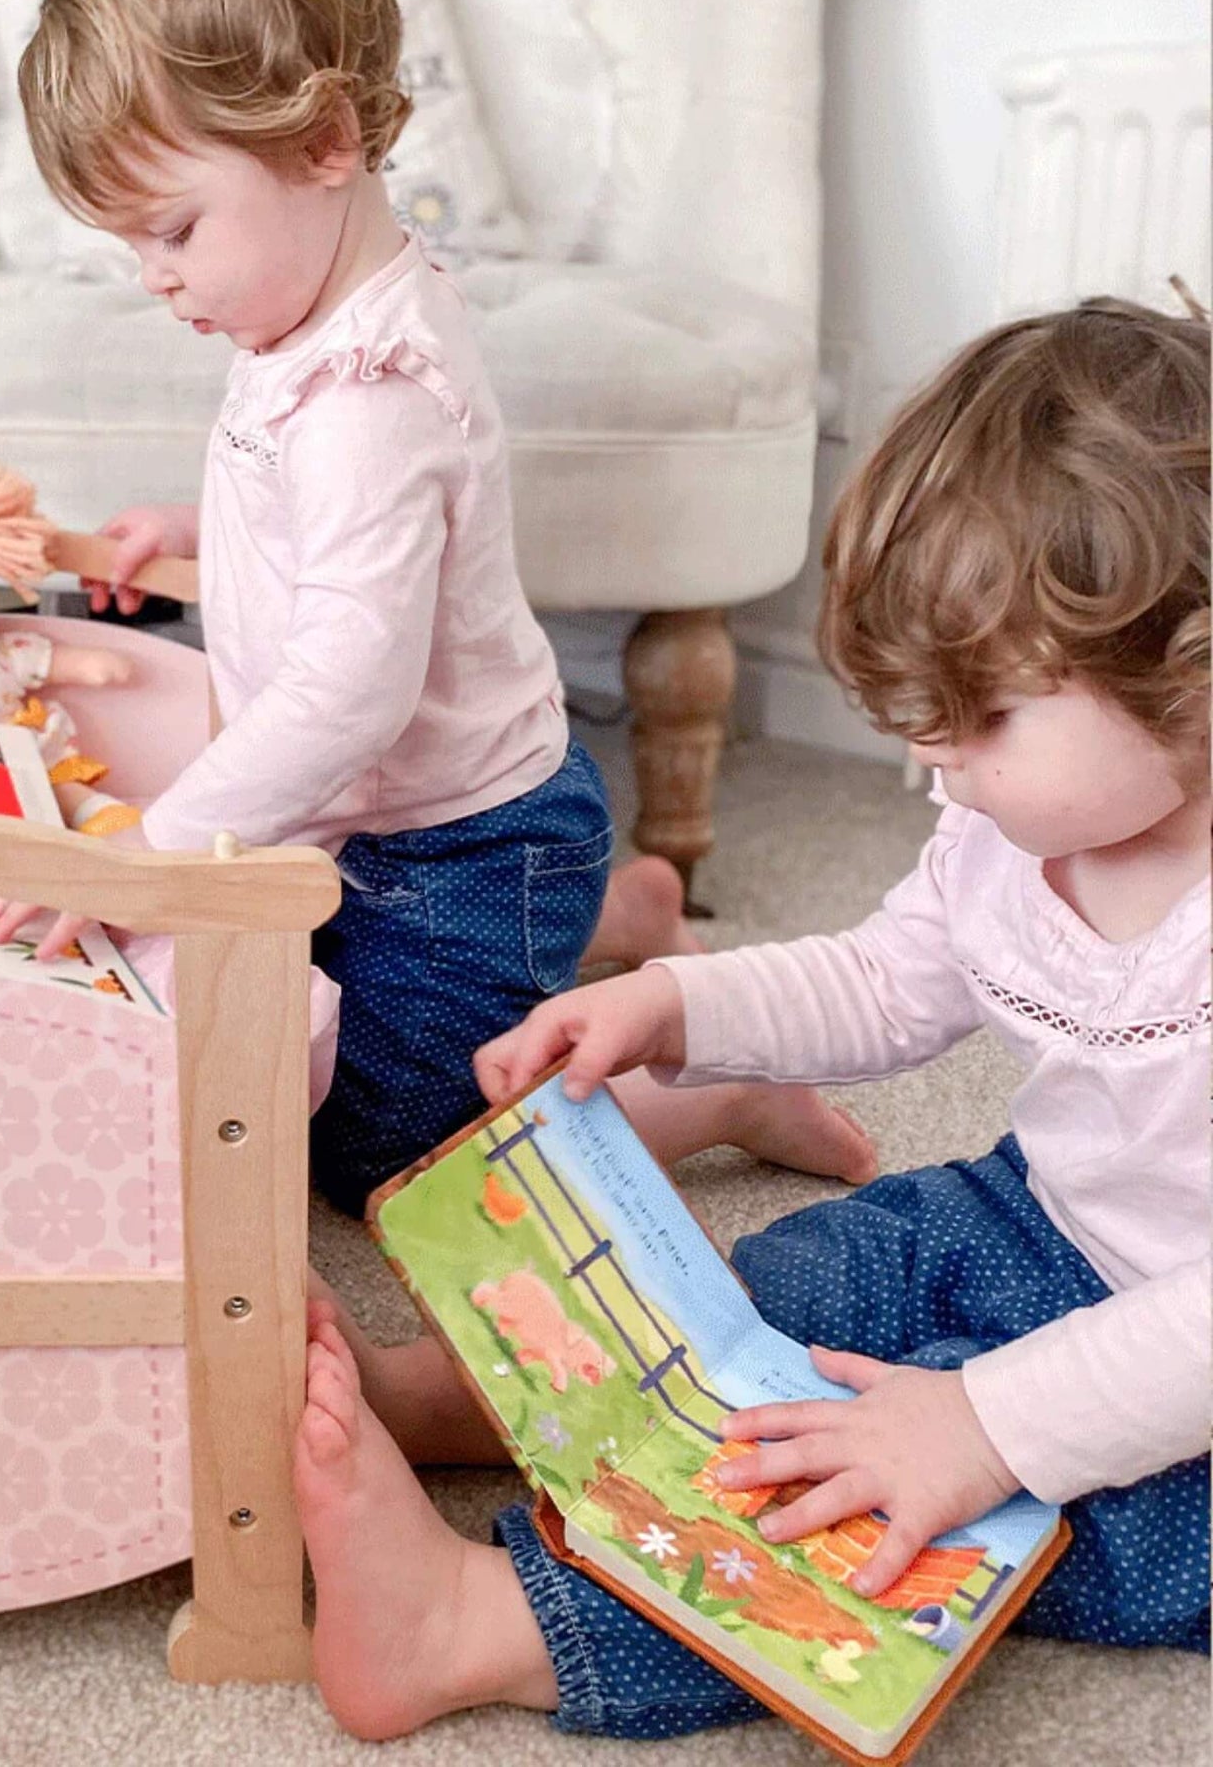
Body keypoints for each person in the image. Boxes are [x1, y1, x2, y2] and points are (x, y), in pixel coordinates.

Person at [296, 296, 1212, 1740]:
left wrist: (981, 1427)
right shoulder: (1001, 831)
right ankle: (496, 1405)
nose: (930, 760)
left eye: (979, 718)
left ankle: (477, 1630)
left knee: (905, 1530)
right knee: (806, 1281)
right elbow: (884, 978)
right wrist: (668, 1004)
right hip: (1037, 1225)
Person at [0, 0, 862, 1210]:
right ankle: (613, 915)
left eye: (171, 230)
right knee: (311, 1014)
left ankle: (714, 1086)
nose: (152, 276)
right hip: (386, 828)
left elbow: (352, 684)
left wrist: (158, 852)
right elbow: (334, 544)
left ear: (324, 139)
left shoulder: (371, 393)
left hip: (461, 848)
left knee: (393, 1159)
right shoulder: (306, 320)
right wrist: (204, 531)